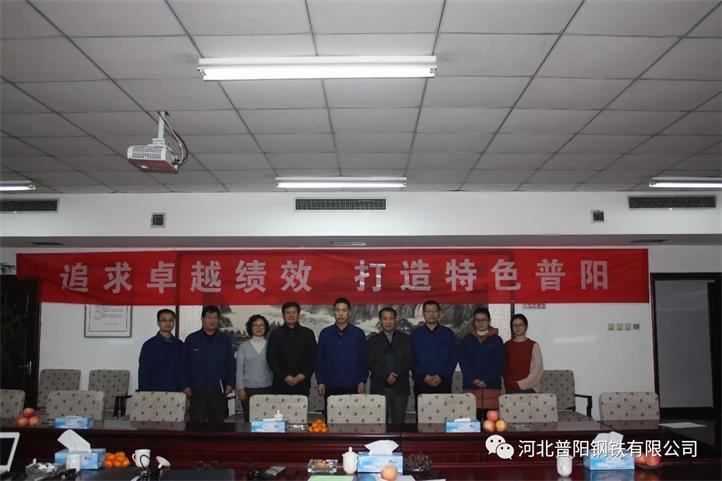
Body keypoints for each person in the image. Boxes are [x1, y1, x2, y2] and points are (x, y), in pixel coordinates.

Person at [181, 305, 236, 423]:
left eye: (215, 318)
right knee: (197, 426)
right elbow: (183, 365)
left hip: (218, 391)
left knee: (217, 427)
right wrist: (185, 385)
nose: (212, 321)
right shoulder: (192, 339)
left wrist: (230, 384)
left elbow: (231, 363)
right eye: (209, 318)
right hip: (197, 390)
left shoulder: (224, 339)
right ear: (202, 319)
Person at [315, 298, 368, 410]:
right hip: (330, 384)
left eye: (344, 310)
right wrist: (320, 381)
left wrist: (362, 381)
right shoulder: (325, 333)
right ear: (333, 312)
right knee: (331, 416)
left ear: (349, 312)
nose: (341, 313)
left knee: (351, 417)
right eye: (338, 310)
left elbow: (363, 360)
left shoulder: (358, 334)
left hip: (352, 384)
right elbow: (320, 360)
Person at [367, 306, 414, 424]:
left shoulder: (406, 339)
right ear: (380, 320)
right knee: (379, 423)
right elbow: (370, 362)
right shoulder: (372, 341)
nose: (388, 322)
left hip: (400, 386)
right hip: (379, 386)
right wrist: (386, 375)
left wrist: (396, 374)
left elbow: (409, 360)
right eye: (385, 319)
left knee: (399, 422)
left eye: (391, 318)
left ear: (395, 320)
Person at [459, 307, 505, 420]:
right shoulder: (466, 340)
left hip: (491, 388)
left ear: (489, 321)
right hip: (471, 388)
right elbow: (463, 363)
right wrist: (474, 380)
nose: (480, 323)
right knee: (472, 425)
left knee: (491, 425)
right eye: (477, 320)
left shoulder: (497, 340)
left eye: (483, 320)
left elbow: (498, 363)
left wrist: (486, 380)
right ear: (474, 322)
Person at [266, 301, 317, 395]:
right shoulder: (275, 334)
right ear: (283, 315)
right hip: (281, 384)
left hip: (302, 383)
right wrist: (285, 376)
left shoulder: (308, 333)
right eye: (288, 312)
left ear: (298, 315)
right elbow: (271, 358)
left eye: (294, 312)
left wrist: (302, 375)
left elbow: (313, 358)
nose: (291, 315)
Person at [410, 300, 458, 399]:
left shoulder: (448, 333)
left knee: (443, 409)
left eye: (434, 311)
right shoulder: (415, 334)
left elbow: (453, 358)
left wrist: (442, 376)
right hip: (421, 382)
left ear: (439, 313)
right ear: (423, 314)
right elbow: (411, 358)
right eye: (428, 311)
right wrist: (423, 376)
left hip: (443, 382)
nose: (431, 314)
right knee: (422, 409)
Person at [236, 314, 273, 423]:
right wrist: (240, 388)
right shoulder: (243, 347)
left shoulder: (270, 346)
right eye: (255, 325)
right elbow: (239, 370)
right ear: (250, 328)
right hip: (248, 390)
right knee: (249, 421)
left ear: (265, 327)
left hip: (267, 388)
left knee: (266, 421)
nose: (258, 328)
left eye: (261, 325)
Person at [138, 309, 184, 392]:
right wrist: (143, 393)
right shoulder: (149, 345)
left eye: (171, 320)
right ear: (158, 323)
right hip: (155, 391)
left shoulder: (179, 344)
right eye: (164, 320)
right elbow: (143, 372)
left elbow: (183, 369)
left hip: (176, 391)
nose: (168, 323)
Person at [502, 313, 543, 393]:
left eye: (520, 325)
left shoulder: (533, 345)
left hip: (530, 388)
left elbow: (537, 370)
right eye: (515, 325)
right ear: (511, 328)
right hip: (511, 388)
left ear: (526, 327)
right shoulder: (506, 345)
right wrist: (512, 384)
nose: (518, 327)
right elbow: (503, 369)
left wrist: (520, 385)